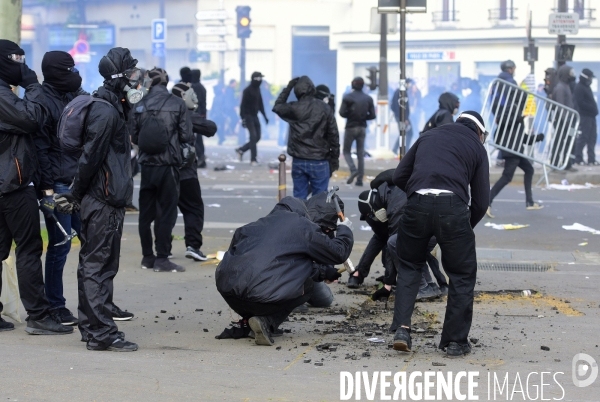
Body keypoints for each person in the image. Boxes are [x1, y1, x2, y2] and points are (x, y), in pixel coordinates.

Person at [54, 47, 142, 350]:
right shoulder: (104, 111)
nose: (136, 80)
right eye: (132, 73)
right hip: (102, 200)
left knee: (96, 265)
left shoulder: (113, 106)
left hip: (104, 199)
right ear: (118, 76)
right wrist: (75, 194)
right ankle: (101, 334)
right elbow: (90, 158)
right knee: (98, 267)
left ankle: (93, 329)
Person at [390, 111, 490, 358]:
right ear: (480, 132)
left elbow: (398, 175)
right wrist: (465, 226)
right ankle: (455, 342)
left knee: (410, 266)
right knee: (461, 274)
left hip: (416, 206)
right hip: (453, 209)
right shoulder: (477, 147)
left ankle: (402, 331)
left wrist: (417, 194)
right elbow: (480, 202)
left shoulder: (428, 135)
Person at [0, 40, 73, 335]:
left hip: (8, 181)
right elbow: (31, 119)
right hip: (13, 185)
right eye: (17, 59)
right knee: (29, 249)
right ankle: (39, 316)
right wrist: (32, 86)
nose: (22, 65)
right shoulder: (3, 95)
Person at [215, 196, 353, 346]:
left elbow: (285, 264)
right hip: (262, 299)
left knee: (273, 277)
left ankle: (250, 319)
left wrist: (324, 272)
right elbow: (339, 253)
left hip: (231, 295)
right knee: (307, 285)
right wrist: (345, 230)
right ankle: (266, 322)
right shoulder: (302, 226)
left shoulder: (255, 225)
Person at [33, 50, 86, 326]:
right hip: (58, 184)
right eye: (69, 69)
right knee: (60, 245)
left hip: (78, 182)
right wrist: (47, 191)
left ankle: (93, 302)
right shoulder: (41, 100)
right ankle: (56, 305)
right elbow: (41, 150)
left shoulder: (71, 95)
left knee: (90, 241)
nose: (74, 74)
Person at [132, 68, 194, 273]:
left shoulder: (140, 104)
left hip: (147, 165)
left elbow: (133, 136)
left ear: (150, 83)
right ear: (167, 82)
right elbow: (186, 136)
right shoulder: (176, 103)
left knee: (145, 214)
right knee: (166, 213)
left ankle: (147, 257)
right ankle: (162, 258)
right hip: (168, 165)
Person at [273, 76, 340, 199]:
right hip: (320, 159)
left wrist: (289, 87)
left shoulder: (294, 108)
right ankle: (317, 218)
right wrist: (334, 159)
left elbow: (277, 106)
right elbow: (333, 135)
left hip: (299, 159)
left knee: (299, 199)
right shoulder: (324, 108)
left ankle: (300, 218)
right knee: (320, 201)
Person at [171, 82, 217, 261]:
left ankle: (162, 248)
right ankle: (193, 245)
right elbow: (210, 128)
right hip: (186, 171)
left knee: (165, 211)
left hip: (164, 169)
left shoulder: (158, 110)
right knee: (193, 208)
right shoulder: (186, 114)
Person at [487, 90, 545, 218]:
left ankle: (529, 202)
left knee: (529, 170)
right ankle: (487, 201)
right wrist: (520, 118)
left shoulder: (517, 112)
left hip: (516, 150)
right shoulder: (510, 109)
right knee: (507, 177)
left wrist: (537, 138)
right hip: (511, 151)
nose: (525, 105)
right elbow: (504, 121)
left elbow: (521, 137)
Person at [339, 77, 376, 186]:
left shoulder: (347, 97)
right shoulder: (368, 98)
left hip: (350, 126)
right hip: (362, 127)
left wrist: (350, 115)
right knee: (360, 153)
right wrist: (363, 118)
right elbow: (373, 115)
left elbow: (341, 113)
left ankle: (353, 169)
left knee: (346, 151)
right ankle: (360, 179)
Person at [236, 72, 268, 165]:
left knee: (257, 137)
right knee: (253, 137)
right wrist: (243, 118)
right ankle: (253, 159)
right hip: (248, 116)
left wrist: (265, 116)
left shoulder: (258, 89)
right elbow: (242, 105)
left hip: (255, 116)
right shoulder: (247, 90)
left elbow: (260, 104)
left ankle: (241, 150)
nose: (260, 81)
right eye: (259, 78)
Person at [551, 64, 578, 171]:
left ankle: (568, 164)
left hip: (568, 121)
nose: (572, 75)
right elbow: (561, 106)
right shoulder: (561, 88)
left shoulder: (565, 86)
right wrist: (566, 121)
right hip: (563, 122)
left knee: (570, 142)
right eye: (570, 73)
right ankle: (555, 163)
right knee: (560, 142)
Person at [573, 68, 598, 166]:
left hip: (591, 117)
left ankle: (591, 159)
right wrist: (591, 108)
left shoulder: (587, 87)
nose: (591, 80)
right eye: (590, 78)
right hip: (585, 116)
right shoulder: (579, 87)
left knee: (592, 138)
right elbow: (580, 103)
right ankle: (578, 158)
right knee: (583, 137)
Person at [191, 69, 208, 168]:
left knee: (193, 137)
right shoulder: (202, 87)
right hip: (200, 115)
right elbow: (203, 103)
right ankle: (201, 158)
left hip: (194, 114)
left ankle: (200, 156)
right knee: (199, 138)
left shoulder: (192, 87)